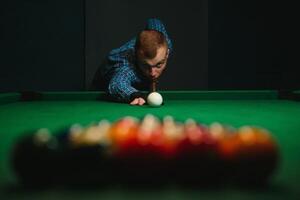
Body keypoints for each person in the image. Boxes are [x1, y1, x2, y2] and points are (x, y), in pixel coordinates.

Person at [91, 18, 172, 105]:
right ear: (137, 55)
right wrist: (136, 95)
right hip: (102, 88)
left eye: (159, 64)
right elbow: (117, 84)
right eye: (146, 65)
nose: (152, 73)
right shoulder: (127, 65)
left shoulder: (165, 42)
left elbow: (154, 21)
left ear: (167, 53)